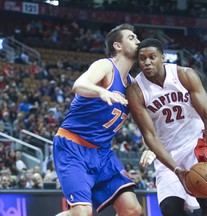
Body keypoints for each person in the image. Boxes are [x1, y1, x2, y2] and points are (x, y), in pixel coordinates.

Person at [126, 38, 207, 216]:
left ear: (162, 57)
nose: (147, 62)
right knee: (170, 209)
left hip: (194, 145)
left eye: (152, 57)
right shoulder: (136, 90)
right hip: (166, 153)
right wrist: (176, 169)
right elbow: (150, 136)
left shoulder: (184, 75)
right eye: (142, 58)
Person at [53, 24, 141, 216]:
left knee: (132, 209)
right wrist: (101, 91)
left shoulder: (133, 85)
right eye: (132, 38)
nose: (138, 41)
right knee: (83, 212)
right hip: (73, 146)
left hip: (103, 153)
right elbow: (79, 84)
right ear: (118, 45)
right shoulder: (106, 65)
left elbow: (146, 121)